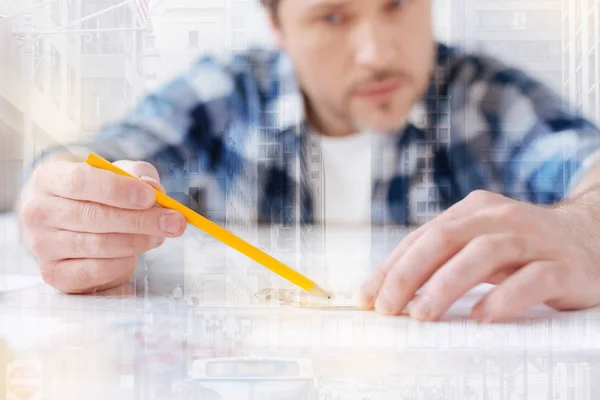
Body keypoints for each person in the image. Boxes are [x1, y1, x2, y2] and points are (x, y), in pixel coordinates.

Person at [16, 0, 600, 323]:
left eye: (397, 5)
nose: (377, 52)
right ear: (277, 26)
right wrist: (76, 205)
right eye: (332, 16)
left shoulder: (485, 97)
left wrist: (581, 227)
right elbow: (96, 157)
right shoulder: (225, 94)